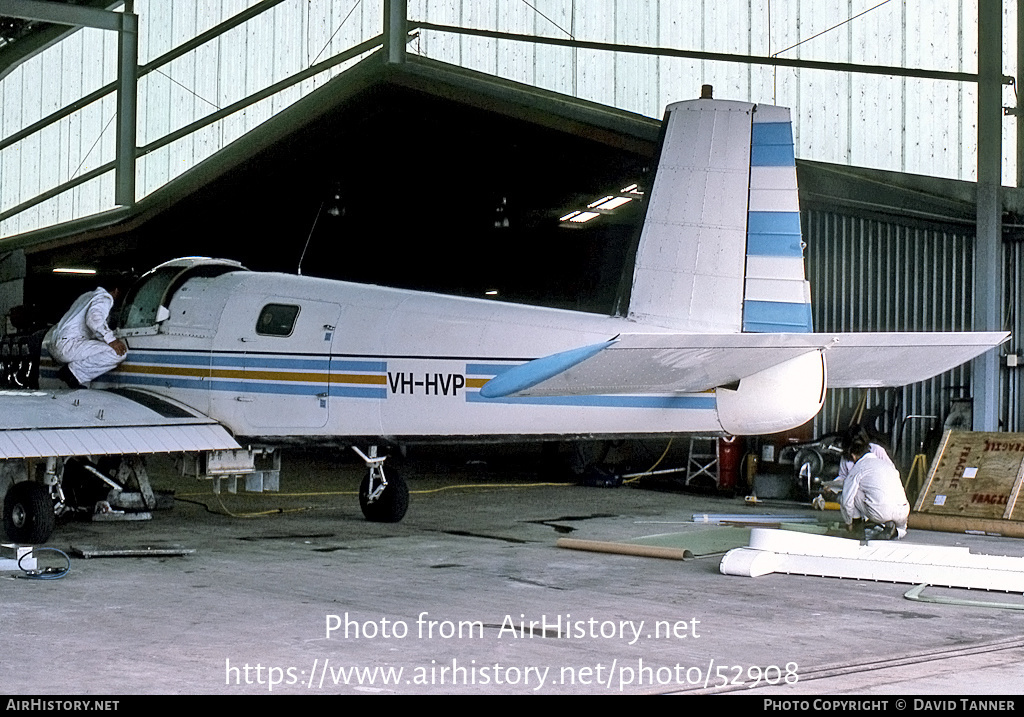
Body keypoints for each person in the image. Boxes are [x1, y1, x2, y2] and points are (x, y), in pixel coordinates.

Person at [46, 278, 129, 388]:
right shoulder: (105, 298)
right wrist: (111, 340)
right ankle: (72, 373)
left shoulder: (87, 296)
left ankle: (76, 377)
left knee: (83, 386)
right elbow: (94, 319)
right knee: (117, 353)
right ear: (116, 290)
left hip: (58, 344)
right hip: (69, 345)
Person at [839, 431, 910, 540]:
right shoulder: (887, 465)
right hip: (903, 511)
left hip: (882, 513)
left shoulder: (859, 468)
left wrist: (849, 522)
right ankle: (897, 531)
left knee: (851, 491)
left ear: (853, 455)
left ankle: (857, 529)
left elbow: (846, 501)